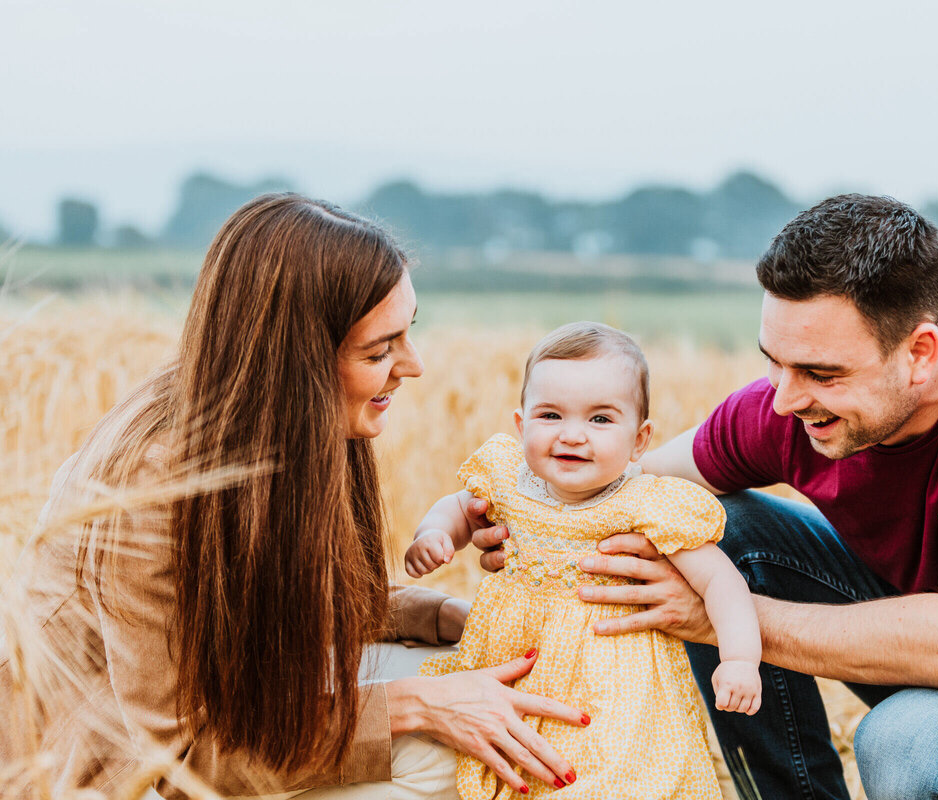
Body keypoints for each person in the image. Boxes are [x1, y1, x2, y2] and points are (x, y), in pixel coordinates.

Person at [468, 195, 938, 799]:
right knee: (714, 529)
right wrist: (527, 516)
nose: (786, 399)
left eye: (820, 371)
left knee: (906, 747)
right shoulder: (794, 406)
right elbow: (631, 488)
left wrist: (722, 621)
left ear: (920, 353)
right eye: (774, 362)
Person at [0, 193, 589, 800]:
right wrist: (419, 706)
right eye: (379, 350)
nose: (412, 365)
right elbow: (181, 761)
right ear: (300, 359)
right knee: (452, 753)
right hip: (95, 777)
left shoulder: (276, 419)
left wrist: (454, 621)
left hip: (223, 730)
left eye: (408, 333)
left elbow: (287, 608)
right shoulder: (151, 492)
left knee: (495, 687)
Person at [405, 321, 761, 799]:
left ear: (640, 439)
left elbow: (722, 582)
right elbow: (459, 510)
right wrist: (435, 533)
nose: (572, 436)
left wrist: (739, 658)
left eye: (600, 420)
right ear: (521, 423)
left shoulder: (645, 505)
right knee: (511, 766)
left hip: (614, 688)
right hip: (519, 665)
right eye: (550, 415)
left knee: (608, 778)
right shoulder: (509, 480)